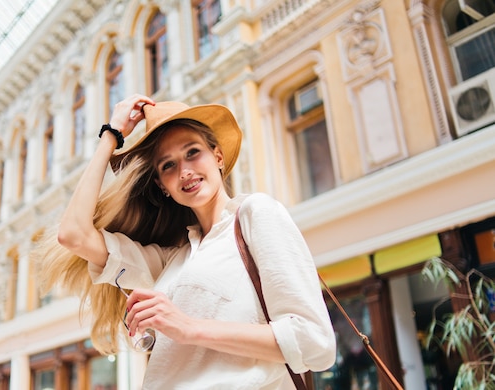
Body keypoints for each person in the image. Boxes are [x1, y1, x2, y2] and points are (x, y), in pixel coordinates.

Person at [35, 94, 336, 389]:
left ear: (217, 156)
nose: (185, 171)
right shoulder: (171, 259)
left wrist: (188, 327)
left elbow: (314, 342)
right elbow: (72, 235)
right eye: (168, 166)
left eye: (193, 152)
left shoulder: (255, 214)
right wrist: (110, 136)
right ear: (162, 186)